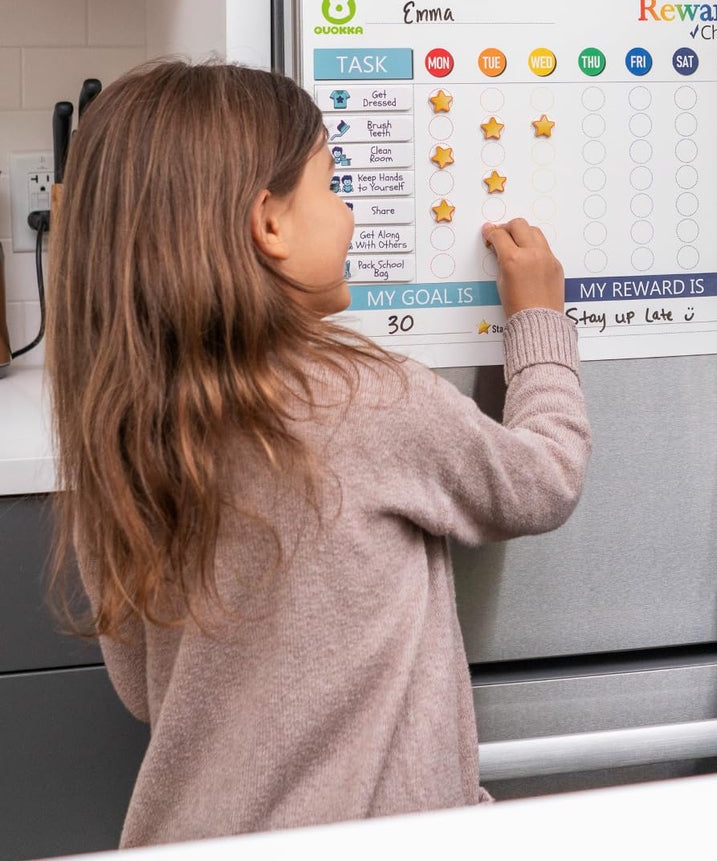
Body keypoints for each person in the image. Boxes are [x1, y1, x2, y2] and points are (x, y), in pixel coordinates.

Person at [46, 60, 590, 845]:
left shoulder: (120, 433)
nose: (349, 214)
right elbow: (543, 479)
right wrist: (538, 320)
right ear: (269, 224)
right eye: (332, 185)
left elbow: (143, 689)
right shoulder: (367, 397)